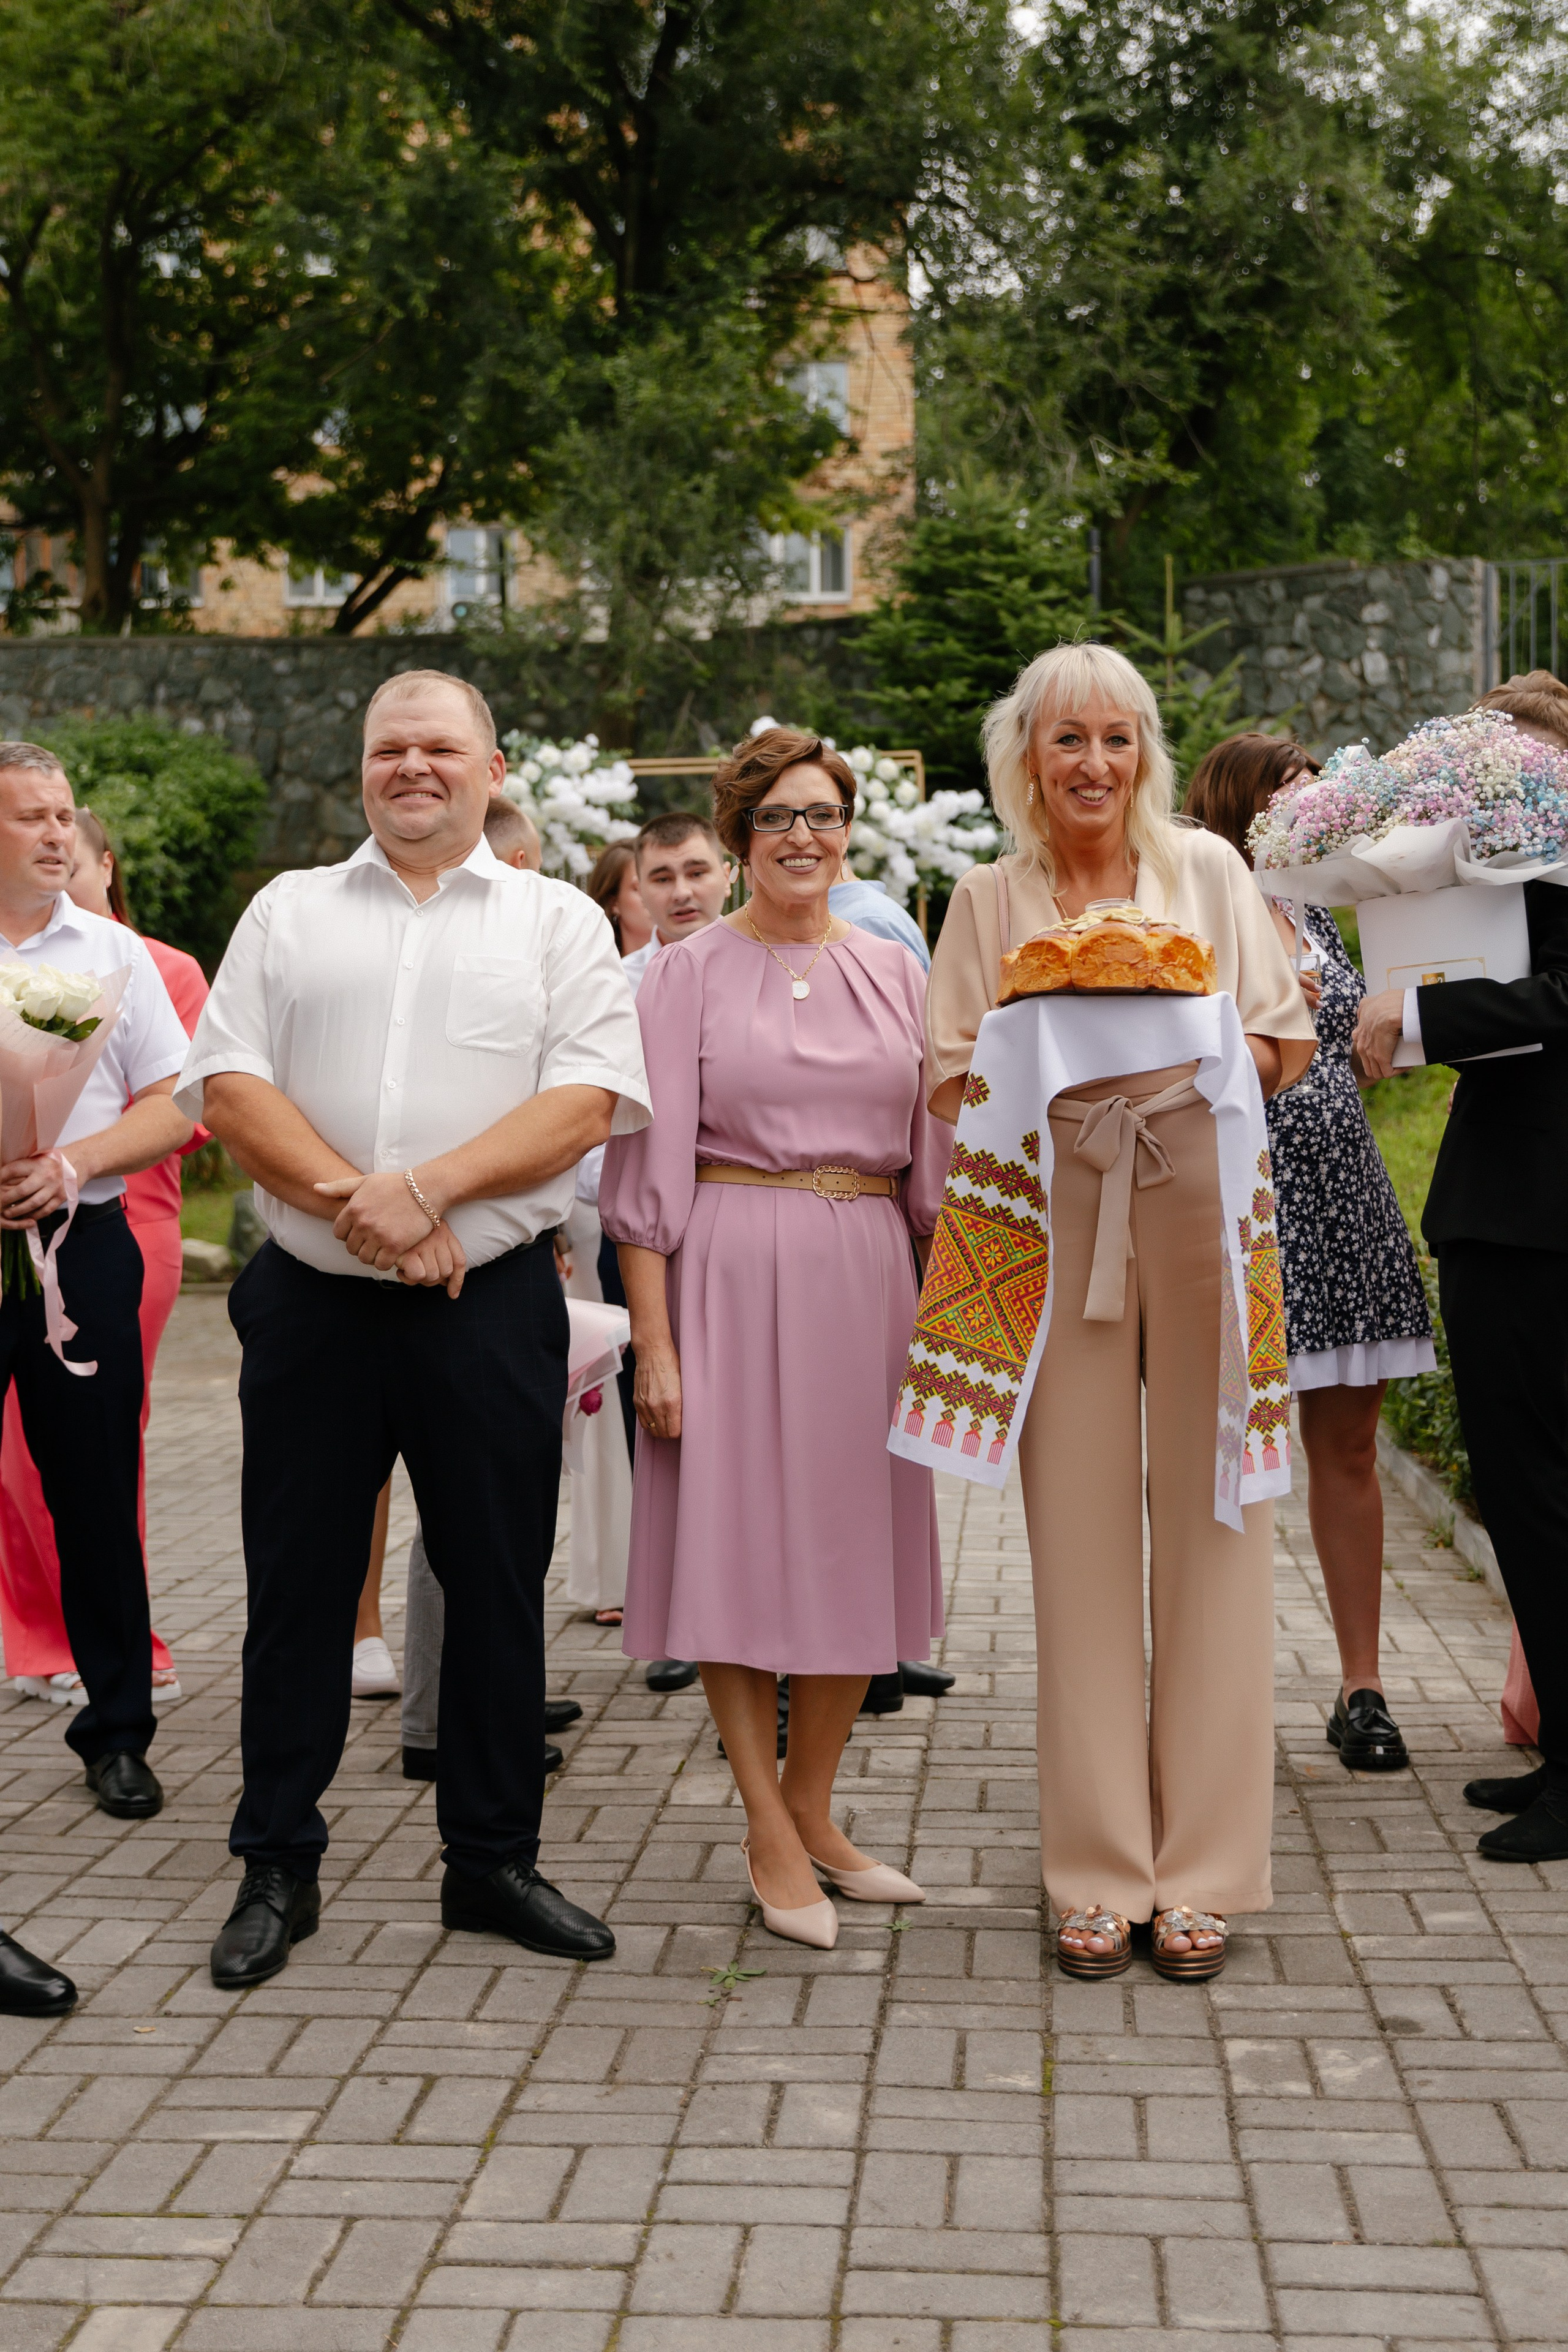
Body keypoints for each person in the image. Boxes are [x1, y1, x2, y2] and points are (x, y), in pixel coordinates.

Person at [179, 669, 650, 1989]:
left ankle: (489, 1861)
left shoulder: (557, 923)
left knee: (496, 1586)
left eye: (441, 746)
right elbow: (228, 1087)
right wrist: (364, 1206)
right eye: (389, 747)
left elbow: (587, 1100)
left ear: (491, 768)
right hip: (315, 1304)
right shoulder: (288, 912)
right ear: (363, 768)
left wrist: (430, 1191)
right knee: (297, 1586)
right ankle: (277, 1860)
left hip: (487, 1308)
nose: (413, 767)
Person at [925, 646, 1315, 1981]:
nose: (1090, 764)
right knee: (1077, 1543)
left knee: (1218, 1528)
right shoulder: (984, 896)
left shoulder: (1206, 873)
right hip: (1053, 1209)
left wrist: (1181, 1058)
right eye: (1062, 741)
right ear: (1022, 760)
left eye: (1113, 739)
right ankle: (1096, 1869)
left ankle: (1201, 1870)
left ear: (1144, 753)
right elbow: (943, 1080)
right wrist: (1047, 1057)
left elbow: (1282, 1041)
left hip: (1200, 1199)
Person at [600, 726, 949, 1950]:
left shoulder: (895, 971)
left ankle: (815, 1810)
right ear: (741, 838)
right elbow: (644, 1175)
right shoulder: (683, 972)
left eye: (822, 813)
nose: (802, 835)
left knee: (856, 1545)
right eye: (776, 818)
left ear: (848, 828)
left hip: (866, 1277)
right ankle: (761, 1820)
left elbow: (936, 1168)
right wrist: (653, 1343)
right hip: (726, 1275)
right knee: (736, 1550)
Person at [1186, 734, 1434, 1773]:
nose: (1312, 812)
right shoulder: (1195, 909)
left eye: (1315, 796)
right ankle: (1218, 1687)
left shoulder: (1322, 908)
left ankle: (1362, 1686)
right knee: (1227, 1456)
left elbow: (1360, 1049)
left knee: (1343, 1448)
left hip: (1342, 1190)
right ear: (1241, 808)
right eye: (1291, 798)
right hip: (1235, 1194)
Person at [1355, 671, 1568, 1863]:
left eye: (1498, 764)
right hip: (1501, 1208)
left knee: (1537, 1488)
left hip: (1540, 1218)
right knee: (1524, 1487)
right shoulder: (1516, 874)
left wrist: (1419, 1019)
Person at [0, 746, 194, 1830]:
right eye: (32, 817)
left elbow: (177, 1103)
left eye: (64, 814)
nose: (57, 835)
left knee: (95, 1497)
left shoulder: (111, 951)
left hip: (87, 1241)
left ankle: (117, 1733)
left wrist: (68, 1164)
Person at [587, 840, 653, 956]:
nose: (654, 896)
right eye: (639, 888)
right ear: (613, 902)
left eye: (662, 881)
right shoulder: (594, 970)